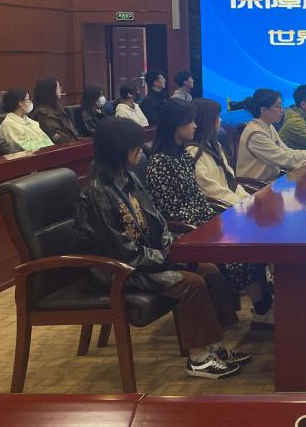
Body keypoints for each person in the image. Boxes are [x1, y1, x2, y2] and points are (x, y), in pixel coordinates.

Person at [73, 117, 249, 379]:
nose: (140, 150)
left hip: (146, 259)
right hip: (121, 270)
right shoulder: (97, 194)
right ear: (121, 150)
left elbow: (157, 223)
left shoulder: (129, 178)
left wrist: (173, 250)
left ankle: (213, 345)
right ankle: (198, 357)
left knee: (209, 271)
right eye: (135, 146)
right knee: (191, 283)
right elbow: (121, 251)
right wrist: (168, 258)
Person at [146, 99, 275, 329]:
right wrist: (214, 224)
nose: (194, 125)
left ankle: (266, 303)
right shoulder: (160, 162)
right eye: (189, 121)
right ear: (176, 124)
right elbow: (171, 210)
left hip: (204, 220)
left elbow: (201, 197)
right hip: (185, 231)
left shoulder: (183, 156)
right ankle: (262, 310)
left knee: (255, 237)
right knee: (241, 250)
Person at [235, 88, 306, 182]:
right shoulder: (256, 134)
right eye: (278, 106)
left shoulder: (268, 126)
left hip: (272, 180)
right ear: (264, 110)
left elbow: (286, 151)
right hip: (255, 185)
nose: (282, 110)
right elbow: (284, 158)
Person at [186, 98, 249, 205]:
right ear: (206, 121)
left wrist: (248, 200)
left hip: (231, 202)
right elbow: (210, 190)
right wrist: (239, 205)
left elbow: (230, 180)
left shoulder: (214, 144)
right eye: (217, 117)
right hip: (219, 208)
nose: (220, 120)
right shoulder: (192, 152)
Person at [0, 87, 54, 152]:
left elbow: (47, 140)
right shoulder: (8, 124)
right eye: (28, 99)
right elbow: (26, 147)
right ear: (20, 102)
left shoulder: (31, 122)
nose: (31, 102)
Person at [28, 77, 79, 144]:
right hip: (62, 147)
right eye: (58, 88)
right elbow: (57, 137)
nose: (60, 90)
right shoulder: (42, 114)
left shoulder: (56, 108)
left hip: (72, 143)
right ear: (51, 91)